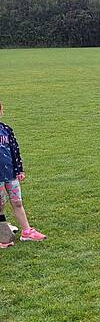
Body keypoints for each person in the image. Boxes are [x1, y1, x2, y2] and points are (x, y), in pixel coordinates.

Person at [0, 101, 47, 246]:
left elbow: (14, 151)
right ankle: (3, 236)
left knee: (17, 202)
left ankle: (26, 232)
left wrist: (19, 169)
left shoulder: (6, 130)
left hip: (10, 174)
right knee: (0, 205)